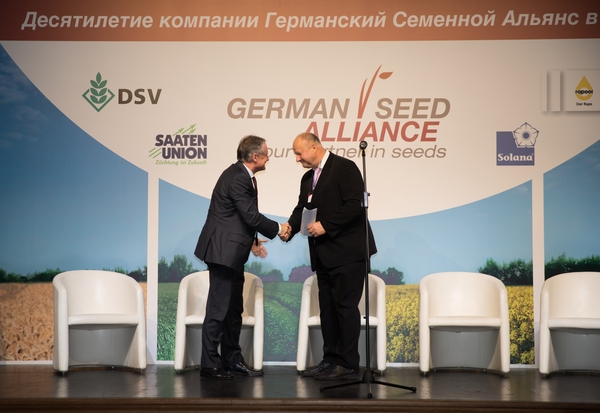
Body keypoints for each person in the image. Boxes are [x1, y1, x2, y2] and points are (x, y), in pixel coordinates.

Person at [281, 132, 377, 381]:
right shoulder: (307, 178)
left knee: (345, 308)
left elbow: (356, 204)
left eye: (299, 153)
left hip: (348, 252)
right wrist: (290, 228)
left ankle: (348, 363)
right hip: (323, 254)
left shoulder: (344, 167)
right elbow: (302, 208)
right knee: (328, 310)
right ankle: (330, 360)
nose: (297, 159)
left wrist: (326, 225)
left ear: (314, 147)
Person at [194, 135, 289, 380]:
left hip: (231, 252)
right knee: (218, 309)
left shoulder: (241, 175)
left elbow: (236, 216)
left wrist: (252, 241)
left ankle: (232, 360)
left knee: (233, 309)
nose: (269, 158)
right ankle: (210, 365)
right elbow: (250, 215)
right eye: (266, 153)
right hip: (223, 252)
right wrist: (280, 228)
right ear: (255, 156)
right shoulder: (238, 177)